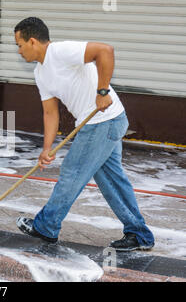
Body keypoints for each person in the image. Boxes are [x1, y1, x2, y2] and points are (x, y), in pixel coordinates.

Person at [14, 17, 155, 252]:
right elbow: (50, 113)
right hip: (104, 123)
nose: (18, 51)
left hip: (104, 120)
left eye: (19, 45)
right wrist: (46, 148)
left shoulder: (60, 52)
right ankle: (139, 234)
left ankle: (47, 226)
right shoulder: (41, 73)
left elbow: (105, 51)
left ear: (32, 41)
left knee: (72, 172)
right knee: (112, 181)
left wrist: (102, 91)